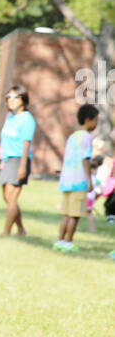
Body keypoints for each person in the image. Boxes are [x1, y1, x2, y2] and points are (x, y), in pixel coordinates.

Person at [54, 103, 98, 252]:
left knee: (66, 214)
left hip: (67, 180)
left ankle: (59, 241)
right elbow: (85, 159)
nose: (96, 124)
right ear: (88, 119)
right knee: (75, 215)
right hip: (79, 181)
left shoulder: (73, 136)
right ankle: (68, 242)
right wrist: (89, 180)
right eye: (96, 120)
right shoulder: (87, 137)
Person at [0, 84, 35, 237]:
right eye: (8, 97)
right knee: (7, 197)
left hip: (19, 159)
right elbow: (5, 139)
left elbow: (25, 144)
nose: (11, 100)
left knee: (12, 198)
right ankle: (21, 229)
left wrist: (22, 167)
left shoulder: (27, 119)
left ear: (23, 99)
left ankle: (6, 233)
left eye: (15, 97)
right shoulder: (10, 117)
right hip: (8, 159)